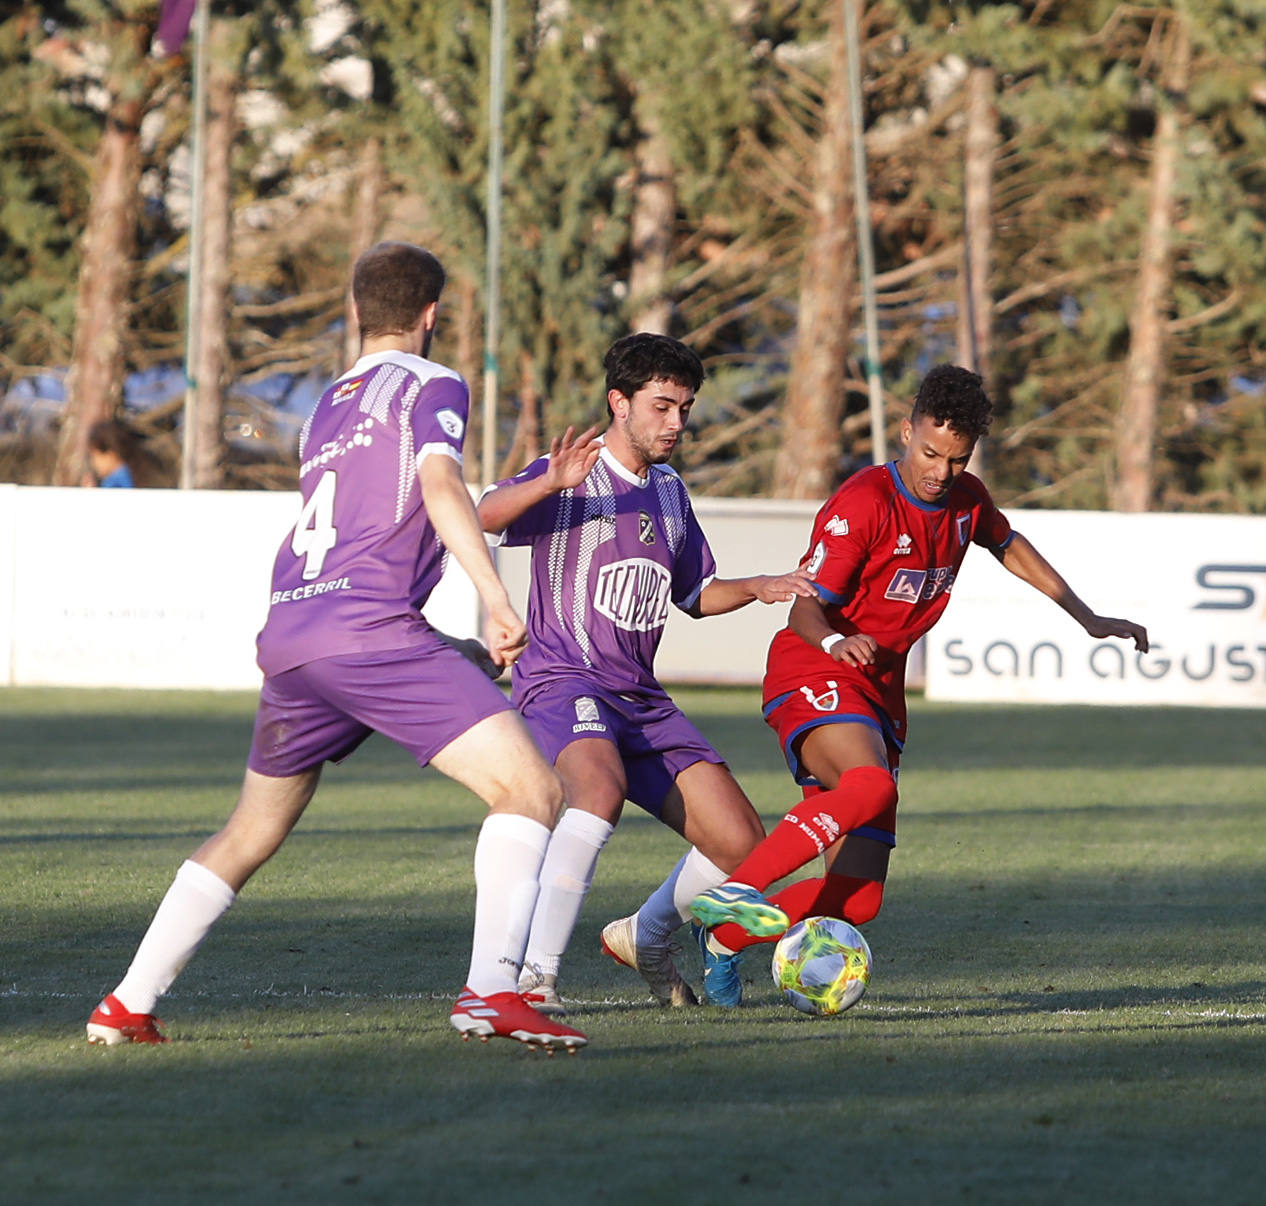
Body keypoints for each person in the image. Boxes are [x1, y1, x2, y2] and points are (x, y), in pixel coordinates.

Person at [85, 241, 587, 1052]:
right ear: (432, 315)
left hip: (294, 632)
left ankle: (126, 1003)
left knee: (251, 829)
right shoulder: (433, 383)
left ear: (357, 311)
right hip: (370, 631)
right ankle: (492, 993)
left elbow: (387, 513)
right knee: (532, 790)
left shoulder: (327, 405)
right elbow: (438, 486)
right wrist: (494, 596)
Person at [690, 364, 1150, 1001]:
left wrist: (1087, 615)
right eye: (930, 452)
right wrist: (833, 639)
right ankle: (735, 894)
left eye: (956, 460)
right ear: (906, 432)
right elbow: (802, 607)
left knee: (860, 899)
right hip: (815, 667)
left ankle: (725, 939)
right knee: (869, 785)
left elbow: (1008, 543)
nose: (940, 471)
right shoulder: (864, 504)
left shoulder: (966, 500)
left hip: (879, 690)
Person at [477, 333, 814, 1012]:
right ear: (618, 402)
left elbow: (695, 596)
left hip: (640, 697)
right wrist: (546, 480)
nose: (676, 423)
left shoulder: (667, 492)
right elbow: (482, 514)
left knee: (740, 839)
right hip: (564, 679)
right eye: (663, 406)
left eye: (685, 409)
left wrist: (758, 585)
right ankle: (534, 978)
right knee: (597, 791)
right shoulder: (571, 474)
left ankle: (646, 935)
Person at [84, 418, 137, 488]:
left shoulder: (116, 483)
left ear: (111, 454)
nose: (93, 462)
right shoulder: (134, 474)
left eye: (94, 456)